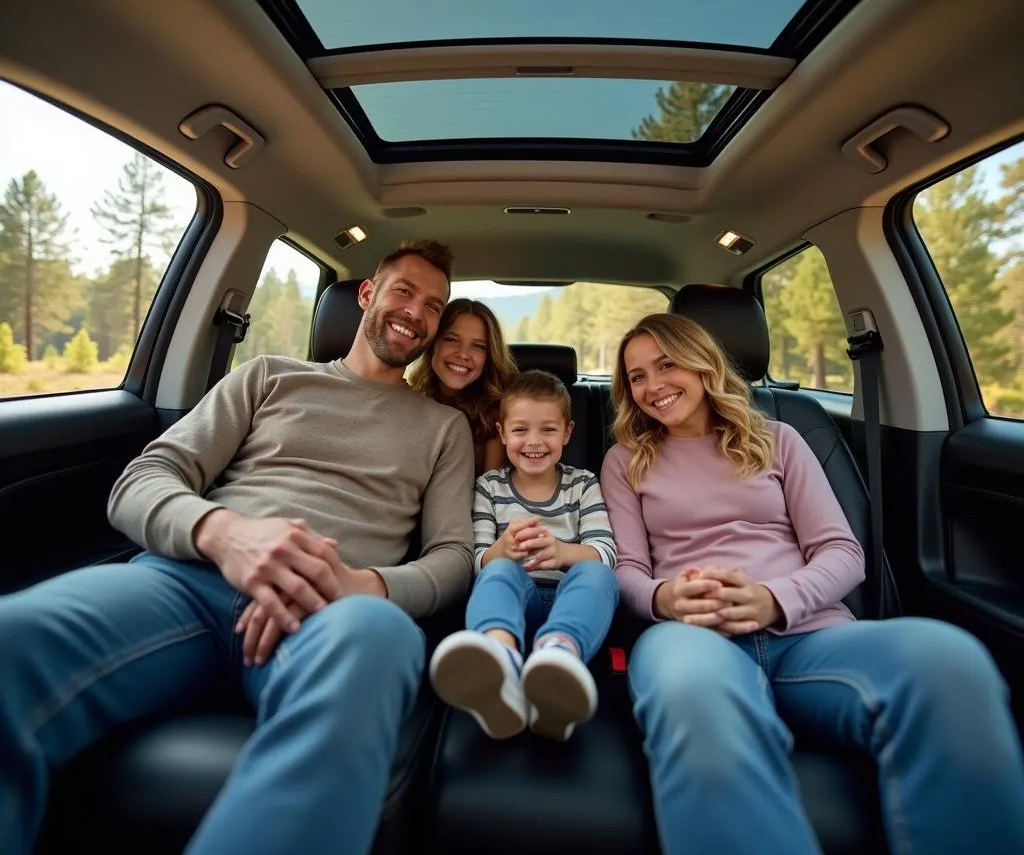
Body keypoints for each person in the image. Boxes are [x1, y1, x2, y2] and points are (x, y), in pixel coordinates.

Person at [0, 239, 476, 855]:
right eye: (404, 291)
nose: (415, 312)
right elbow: (142, 480)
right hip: (186, 584)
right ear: (367, 294)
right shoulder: (268, 376)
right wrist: (227, 533)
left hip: (327, 612)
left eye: (433, 306)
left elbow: (455, 558)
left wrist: (367, 586)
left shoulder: (443, 427)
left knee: (381, 637)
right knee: (14, 638)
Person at [600, 312, 1024, 855]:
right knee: (691, 690)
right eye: (637, 376)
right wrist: (666, 597)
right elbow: (627, 571)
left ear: (703, 362)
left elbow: (843, 553)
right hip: (693, 636)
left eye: (667, 364)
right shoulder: (627, 460)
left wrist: (773, 599)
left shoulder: (780, 437)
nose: (653, 385)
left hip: (810, 637)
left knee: (948, 659)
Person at [429, 369, 619, 742]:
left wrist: (561, 551)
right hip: (517, 604)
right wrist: (504, 550)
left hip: (573, 605)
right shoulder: (489, 487)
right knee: (497, 570)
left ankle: (559, 657)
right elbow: (477, 559)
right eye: (520, 430)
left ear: (567, 432)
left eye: (548, 430)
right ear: (502, 434)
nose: (534, 441)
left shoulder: (583, 485)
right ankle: (499, 657)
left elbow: (606, 552)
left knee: (598, 575)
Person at [409, 297, 517, 474]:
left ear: (489, 357)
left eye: (478, 346)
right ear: (432, 343)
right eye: (451, 339)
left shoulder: (495, 414)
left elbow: (488, 492)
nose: (463, 354)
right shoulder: (410, 401)